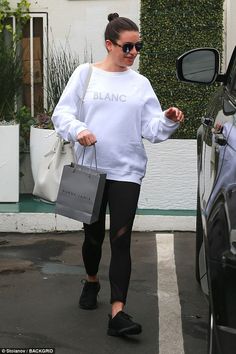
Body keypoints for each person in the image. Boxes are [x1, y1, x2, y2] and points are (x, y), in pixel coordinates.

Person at [52, 12, 184, 337]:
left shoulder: (140, 85)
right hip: (90, 171)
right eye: (127, 47)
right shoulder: (85, 75)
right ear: (109, 44)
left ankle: (117, 313)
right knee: (93, 236)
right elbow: (62, 113)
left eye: (138, 47)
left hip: (127, 171)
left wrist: (168, 119)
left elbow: (151, 129)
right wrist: (79, 129)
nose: (133, 53)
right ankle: (92, 280)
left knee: (121, 240)